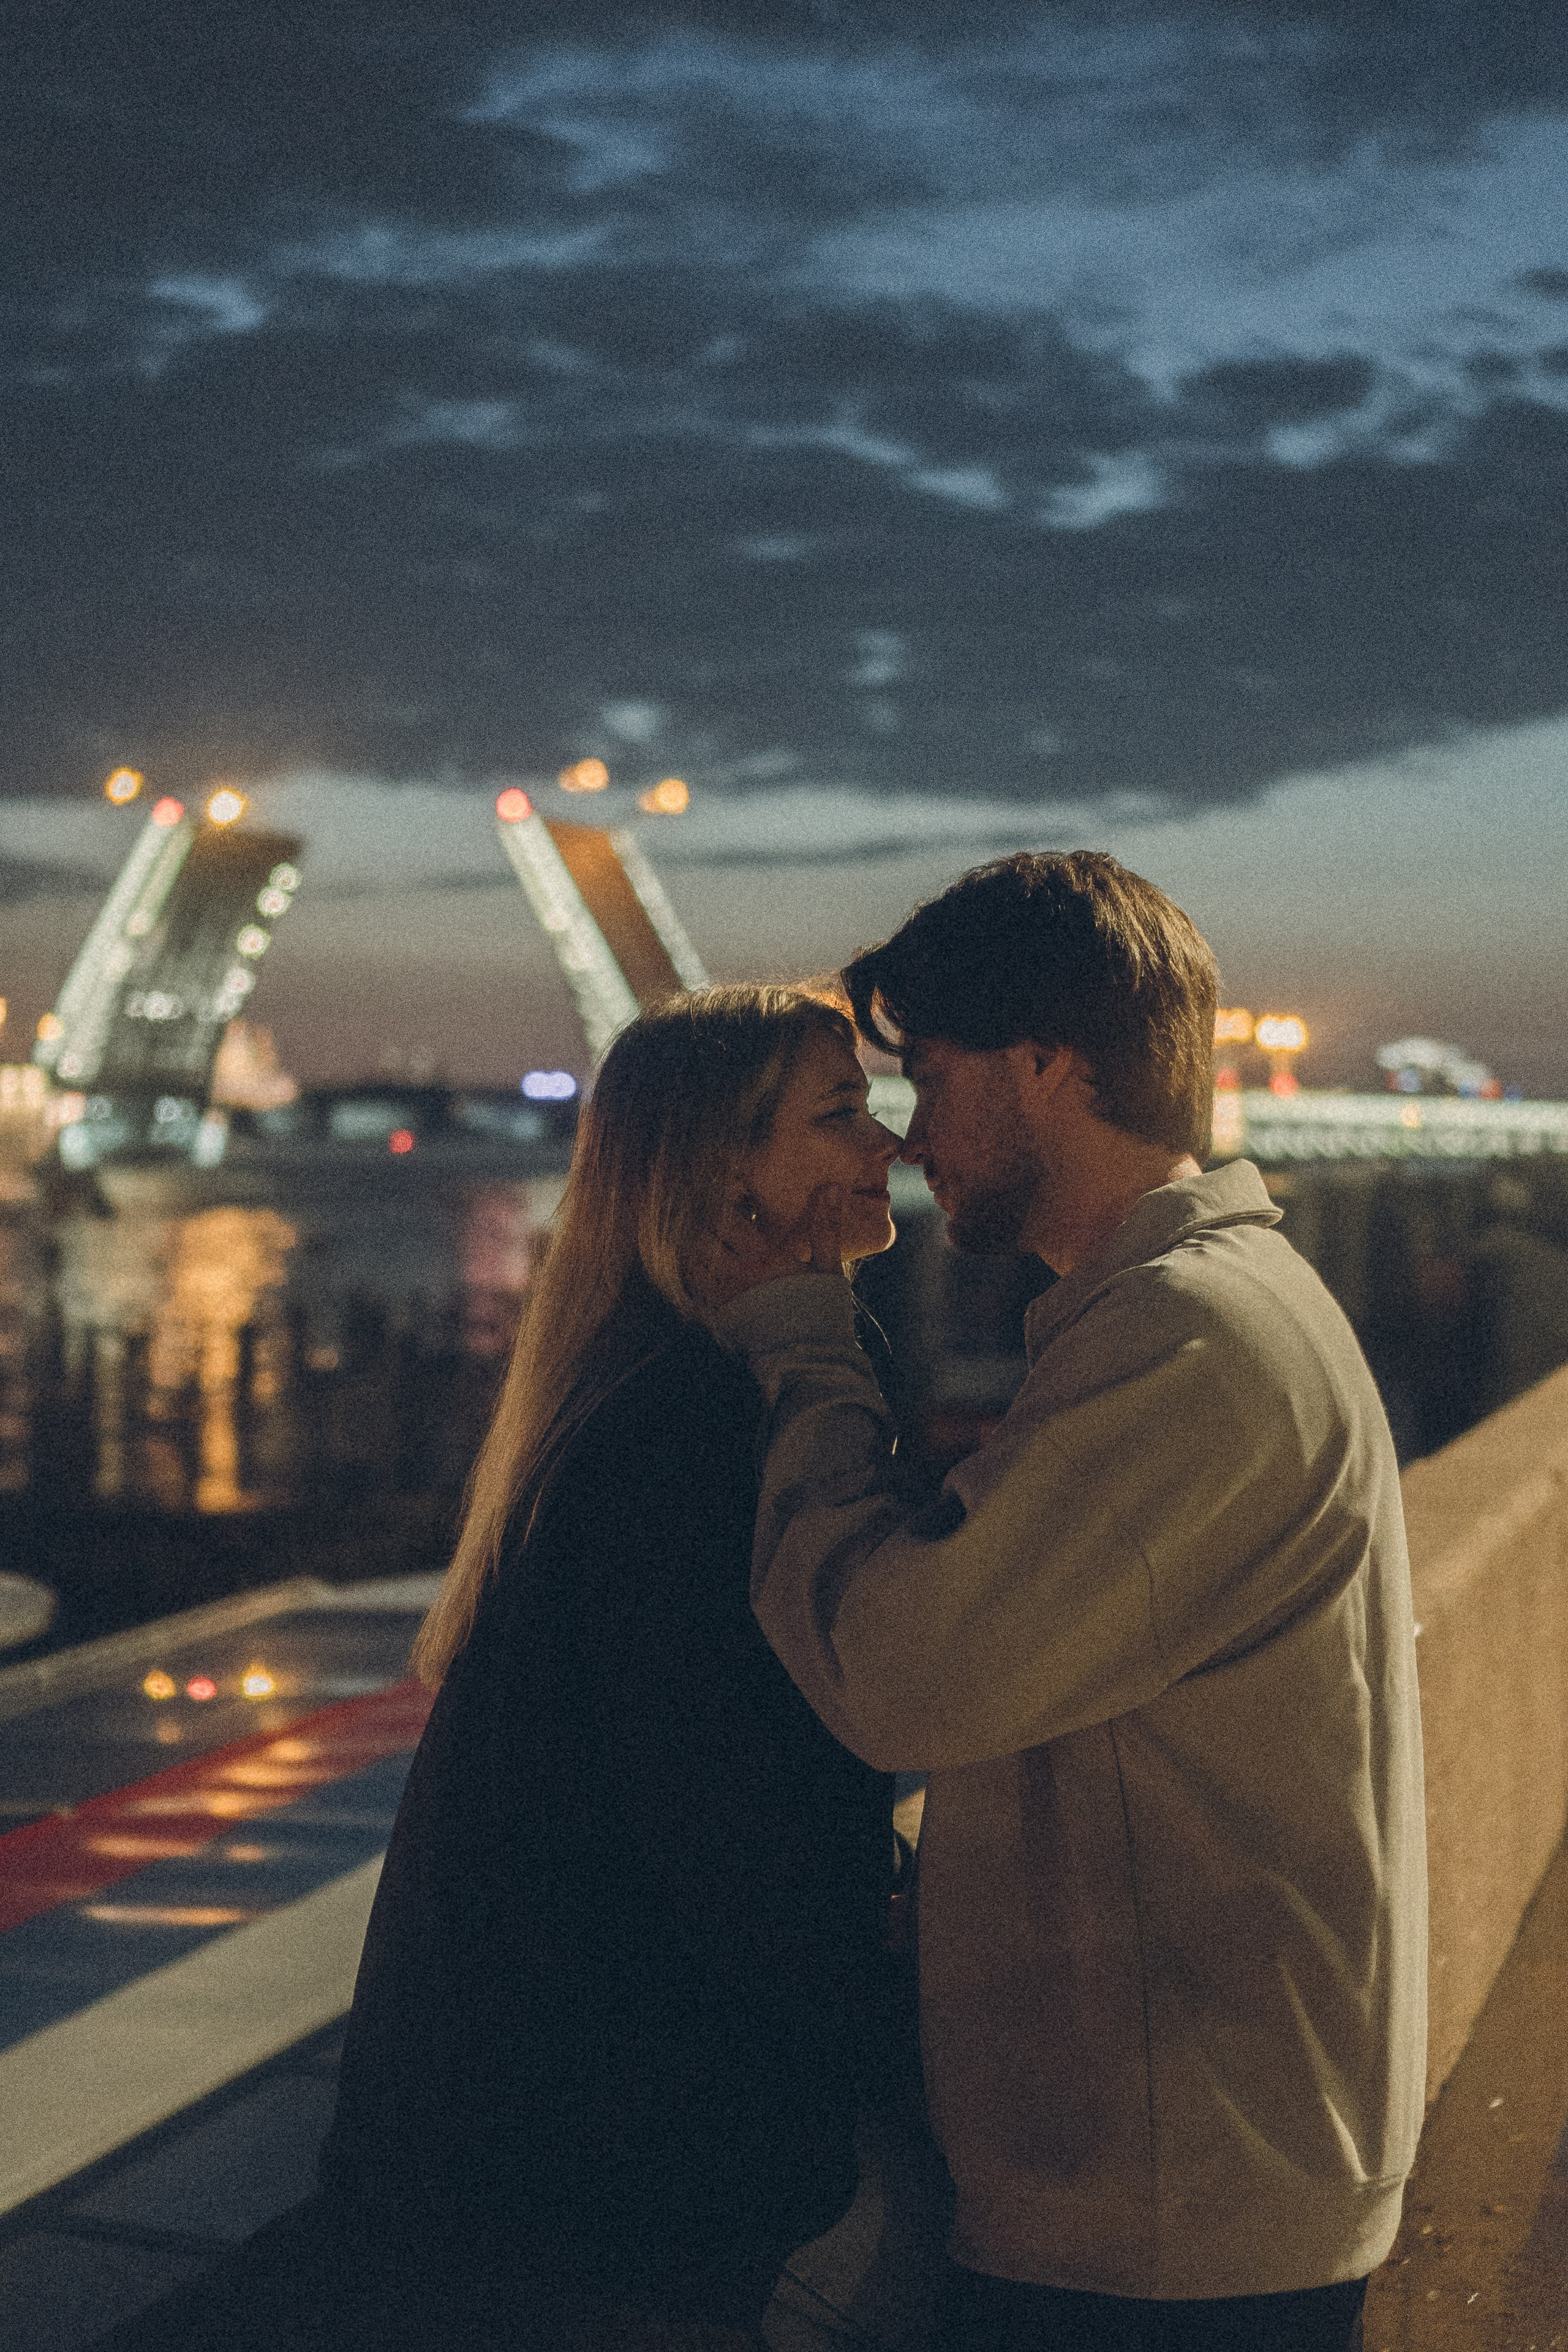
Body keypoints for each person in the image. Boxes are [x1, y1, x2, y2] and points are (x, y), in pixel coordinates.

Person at [101, 986, 902, 2352]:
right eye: (840, 1113)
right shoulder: (694, 1426)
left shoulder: (631, 1388)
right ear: (723, 1178)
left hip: (525, 2158)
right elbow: (739, 1828)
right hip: (596, 2200)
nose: (885, 1146)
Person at [710, 854, 1427, 2352]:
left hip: (1159, 2218)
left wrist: (802, 1356)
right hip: (1196, 2174)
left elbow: (901, 1674)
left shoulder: (1185, 1341)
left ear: (1044, 1066)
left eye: (928, 1078)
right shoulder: (1207, 1307)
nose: (909, 1140)